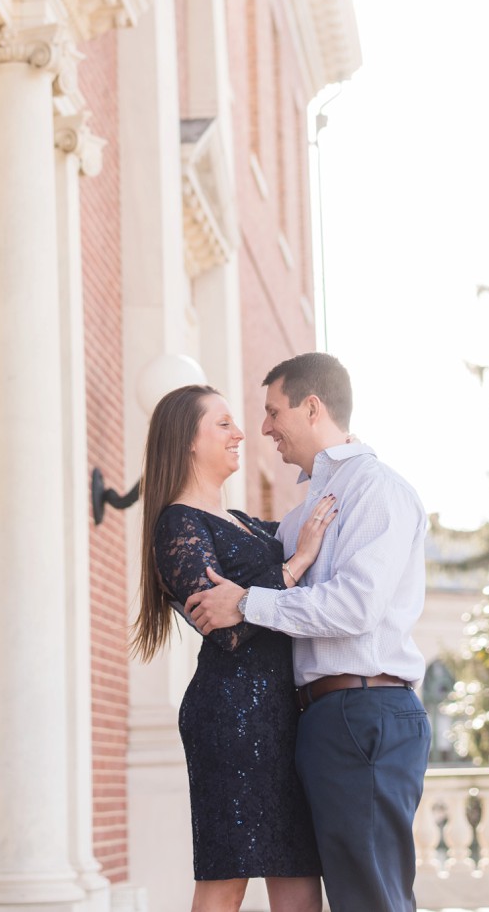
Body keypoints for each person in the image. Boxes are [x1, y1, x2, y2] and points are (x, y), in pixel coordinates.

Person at [186, 353, 430, 912]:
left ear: (312, 407)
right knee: (351, 896)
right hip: (325, 719)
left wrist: (246, 603)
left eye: (274, 411)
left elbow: (354, 607)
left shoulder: (377, 490)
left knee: (371, 898)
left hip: (365, 709)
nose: (264, 428)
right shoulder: (303, 517)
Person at [132, 383, 339, 912]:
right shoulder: (178, 523)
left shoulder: (244, 523)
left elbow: (294, 566)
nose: (241, 433)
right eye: (223, 423)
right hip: (231, 719)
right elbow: (226, 628)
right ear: (187, 441)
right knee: (227, 879)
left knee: (299, 878)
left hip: (285, 718)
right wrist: (295, 565)